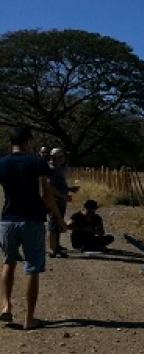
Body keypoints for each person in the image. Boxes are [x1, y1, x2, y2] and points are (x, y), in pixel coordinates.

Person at [0, 126, 67, 330]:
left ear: (12, 142)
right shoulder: (37, 162)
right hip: (32, 220)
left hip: (7, 220)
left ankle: (6, 306)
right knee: (32, 269)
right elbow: (47, 192)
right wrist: (59, 219)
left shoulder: (2, 162)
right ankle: (29, 319)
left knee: (8, 263)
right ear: (28, 140)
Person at [47, 148, 78, 258]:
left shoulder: (57, 168)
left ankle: (57, 247)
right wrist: (63, 196)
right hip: (55, 201)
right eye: (61, 157)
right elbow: (50, 187)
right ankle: (52, 250)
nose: (63, 159)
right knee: (53, 225)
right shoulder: (52, 169)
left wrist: (69, 189)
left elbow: (58, 185)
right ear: (57, 158)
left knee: (57, 225)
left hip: (60, 201)